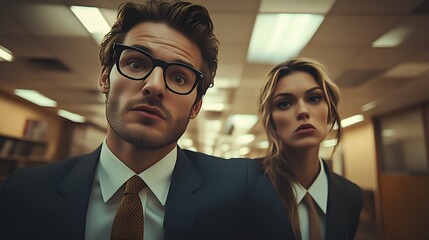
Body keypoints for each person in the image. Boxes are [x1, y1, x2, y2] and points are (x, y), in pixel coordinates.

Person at [0, 1, 295, 239]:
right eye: (137, 63)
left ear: (196, 106)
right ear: (105, 78)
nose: (154, 86)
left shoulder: (246, 193)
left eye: (179, 77)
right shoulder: (21, 193)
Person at [258, 58, 363, 240]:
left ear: (329, 112)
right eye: (284, 103)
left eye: (314, 98)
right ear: (272, 122)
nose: (302, 111)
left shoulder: (352, 196)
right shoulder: (248, 189)